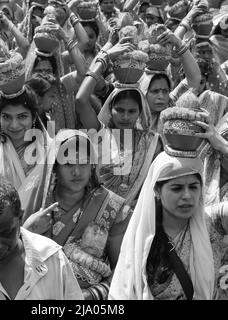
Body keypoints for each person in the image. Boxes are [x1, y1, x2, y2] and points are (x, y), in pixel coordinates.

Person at [23, 130, 131, 300]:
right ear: (54, 168)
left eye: (84, 163)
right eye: (68, 164)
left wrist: (91, 295)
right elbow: (11, 261)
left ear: (92, 165)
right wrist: (28, 231)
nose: (77, 172)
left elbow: (124, 269)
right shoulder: (36, 205)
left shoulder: (111, 207)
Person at [109, 150, 228, 300]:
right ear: (157, 189)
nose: (187, 196)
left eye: (193, 187)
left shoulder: (213, 222)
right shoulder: (141, 235)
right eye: (177, 188)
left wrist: (222, 145)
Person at [76, 40, 162, 209]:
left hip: (132, 219)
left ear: (140, 112)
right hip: (94, 214)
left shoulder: (151, 142)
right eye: (120, 110)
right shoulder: (100, 133)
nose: (125, 116)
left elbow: (154, 187)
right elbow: (80, 99)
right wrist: (104, 57)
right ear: (110, 108)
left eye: (131, 111)